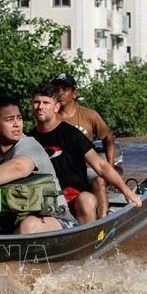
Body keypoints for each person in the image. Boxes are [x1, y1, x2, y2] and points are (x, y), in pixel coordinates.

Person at [0, 94, 77, 235]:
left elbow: (19, 167)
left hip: (55, 221)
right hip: (8, 225)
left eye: (19, 118)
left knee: (29, 226)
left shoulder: (29, 144)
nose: (17, 124)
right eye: (10, 120)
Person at [28, 83, 142, 224]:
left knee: (87, 200)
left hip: (75, 198)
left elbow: (101, 166)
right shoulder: (28, 139)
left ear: (56, 107)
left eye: (46, 102)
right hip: (45, 200)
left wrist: (127, 192)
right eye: (36, 102)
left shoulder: (71, 134)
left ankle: (91, 237)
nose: (40, 107)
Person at [52, 73, 116, 219]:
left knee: (99, 180)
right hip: (60, 171)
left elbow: (108, 138)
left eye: (65, 89)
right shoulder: (51, 117)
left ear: (74, 93)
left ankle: (102, 220)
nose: (60, 93)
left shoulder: (90, 115)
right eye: (56, 89)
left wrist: (110, 166)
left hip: (87, 169)